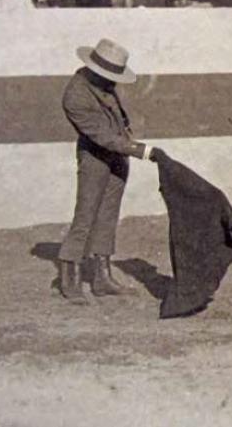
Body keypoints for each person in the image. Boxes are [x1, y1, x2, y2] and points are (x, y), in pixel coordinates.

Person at [57, 38, 161, 303]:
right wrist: (139, 150)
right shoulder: (75, 95)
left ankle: (102, 278)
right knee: (86, 215)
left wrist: (128, 145)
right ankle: (70, 279)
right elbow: (101, 136)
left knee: (108, 214)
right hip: (95, 157)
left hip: (117, 155)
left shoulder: (101, 85)